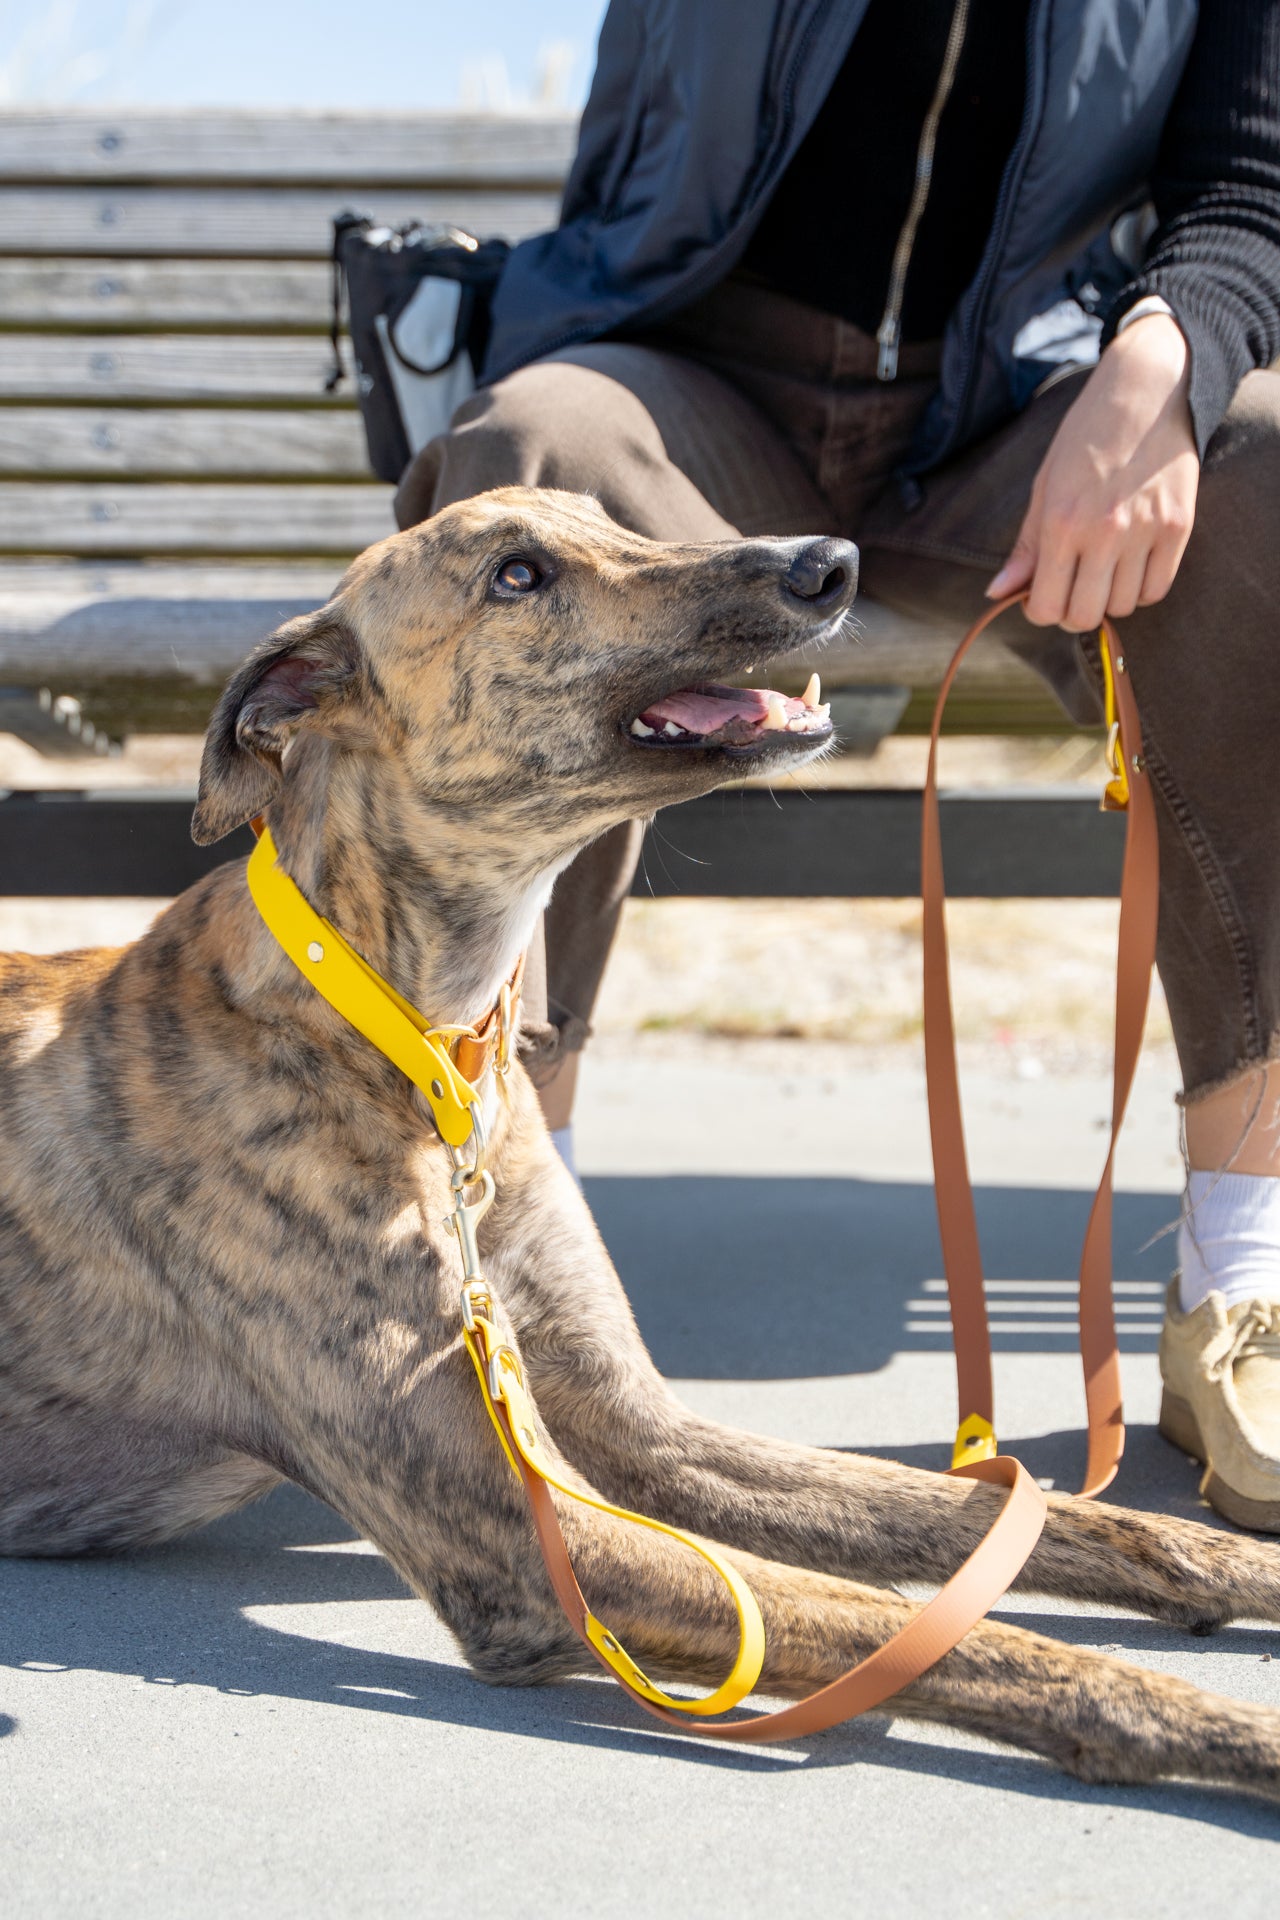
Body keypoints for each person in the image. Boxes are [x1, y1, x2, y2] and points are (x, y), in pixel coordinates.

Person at [396, 0, 1280, 1529]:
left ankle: (1247, 1272)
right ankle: (495, 1225)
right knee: (536, 463)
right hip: (692, 390)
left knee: (1267, 465)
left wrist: (1172, 345)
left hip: (1011, 408)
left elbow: (1250, 181)